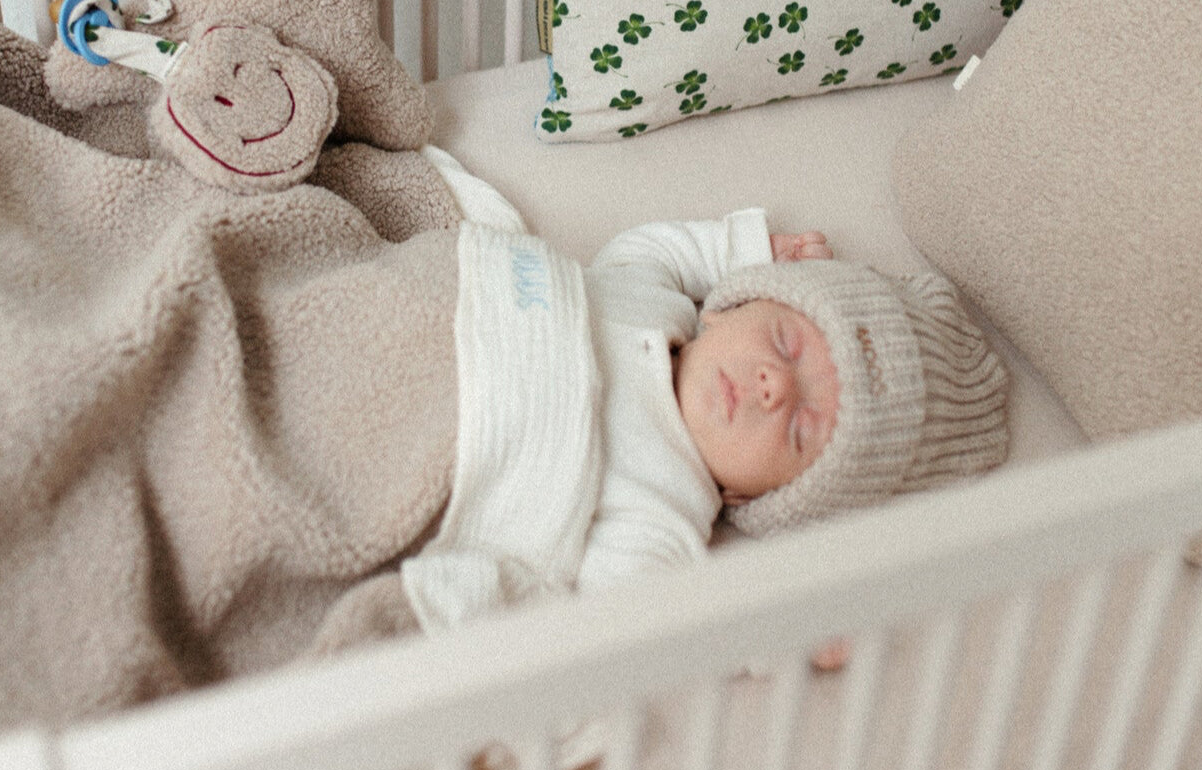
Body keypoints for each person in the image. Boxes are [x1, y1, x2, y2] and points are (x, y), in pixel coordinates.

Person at [397, 204, 1010, 666]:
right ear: (729, 308)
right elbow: (650, 248)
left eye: (799, 428)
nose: (775, 387)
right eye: (785, 344)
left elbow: (660, 614)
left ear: (753, 498)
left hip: (431, 440)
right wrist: (743, 246)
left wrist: (781, 634)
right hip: (441, 302)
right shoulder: (654, 297)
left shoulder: (664, 510)